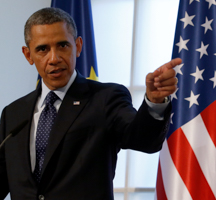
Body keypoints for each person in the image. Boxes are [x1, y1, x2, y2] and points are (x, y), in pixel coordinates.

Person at [0, 7, 181, 200]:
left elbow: (143, 140)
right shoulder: (14, 113)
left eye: (62, 45)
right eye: (43, 49)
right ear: (28, 55)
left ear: (77, 46)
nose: (54, 58)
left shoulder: (105, 98)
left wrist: (154, 102)